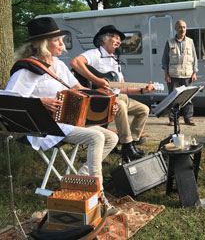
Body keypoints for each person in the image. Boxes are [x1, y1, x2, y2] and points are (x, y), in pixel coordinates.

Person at [5, 17, 119, 215]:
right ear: (43, 44)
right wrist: (40, 102)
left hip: (67, 120)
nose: (62, 44)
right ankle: (98, 195)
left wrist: (107, 102)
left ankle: (77, 185)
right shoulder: (27, 69)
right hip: (44, 126)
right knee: (97, 137)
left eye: (60, 39)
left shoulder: (58, 64)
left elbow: (80, 89)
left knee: (112, 137)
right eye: (57, 40)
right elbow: (9, 100)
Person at [70, 25, 155, 162]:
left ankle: (131, 143)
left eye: (119, 39)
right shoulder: (95, 53)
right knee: (120, 105)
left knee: (144, 110)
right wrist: (97, 80)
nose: (118, 41)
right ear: (104, 39)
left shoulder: (115, 60)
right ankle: (127, 145)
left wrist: (142, 90)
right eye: (115, 37)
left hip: (118, 95)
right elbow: (75, 62)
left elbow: (122, 87)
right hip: (102, 99)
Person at [162, 20, 198, 126]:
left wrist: (194, 72)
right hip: (174, 76)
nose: (182, 29)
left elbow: (194, 58)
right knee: (173, 98)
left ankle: (188, 118)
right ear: (175, 29)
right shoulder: (169, 42)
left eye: (184, 27)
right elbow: (164, 60)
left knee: (188, 98)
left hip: (188, 75)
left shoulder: (190, 42)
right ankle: (173, 119)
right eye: (179, 27)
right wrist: (166, 75)